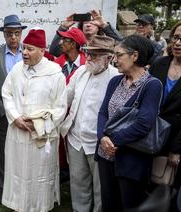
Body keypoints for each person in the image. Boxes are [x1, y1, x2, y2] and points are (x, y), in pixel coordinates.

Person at [2, 27, 67, 212]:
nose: (24, 52)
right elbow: (6, 94)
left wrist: (38, 124)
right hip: (17, 133)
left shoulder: (55, 73)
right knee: (18, 171)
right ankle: (19, 206)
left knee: (39, 174)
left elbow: (60, 107)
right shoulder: (16, 69)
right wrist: (15, 118)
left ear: (42, 50)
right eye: (24, 48)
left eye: (30, 49)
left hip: (41, 136)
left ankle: (39, 207)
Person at [96, 35, 162, 211]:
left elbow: (144, 123)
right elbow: (103, 112)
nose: (115, 60)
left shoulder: (152, 85)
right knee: (109, 205)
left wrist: (114, 141)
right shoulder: (115, 81)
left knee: (129, 205)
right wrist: (102, 137)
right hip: (106, 156)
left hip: (131, 160)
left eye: (119, 55)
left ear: (135, 56)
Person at [59, 35, 119, 212]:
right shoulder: (81, 72)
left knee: (101, 189)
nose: (89, 58)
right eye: (88, 53)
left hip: (99, 144)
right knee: (78, 184)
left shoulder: (116, 78)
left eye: (95, 54)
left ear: (109, 58)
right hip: (76, 140)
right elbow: (65, 98)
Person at [0, 14, 27, 203]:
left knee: (24, 151)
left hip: (26, 114)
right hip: (3, 114)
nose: (13, 38)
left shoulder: (29, 52)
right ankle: (4, 187)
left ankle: (23, 189)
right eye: (9, 33)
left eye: (16, 33)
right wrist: (2, 109)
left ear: (20, 34)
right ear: (4, 35)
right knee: (3, 152)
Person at [149, 21, 181, 211]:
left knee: (170, 190)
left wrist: (177, 149)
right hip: (152, 136)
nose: (178, 43)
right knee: (151, 185)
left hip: (175, 139)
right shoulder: (160, 63)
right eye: (176, 37)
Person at [49, 10, 122, 57]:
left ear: (98, 27)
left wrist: (104, 25)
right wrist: (63, 27)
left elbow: (121, 43)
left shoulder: (106, 42)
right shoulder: (73, 44)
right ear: (81, 27)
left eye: (92, 23)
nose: (88, 25)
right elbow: (54, 51)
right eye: (85, 23)